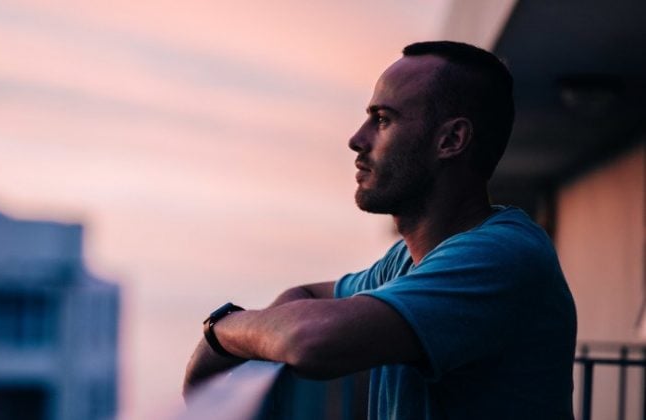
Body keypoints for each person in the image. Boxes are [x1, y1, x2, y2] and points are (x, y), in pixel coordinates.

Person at [183, 41, 577, 419]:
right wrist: (262, 331)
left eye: (383, 120)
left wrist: (220, 331)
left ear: (451, 140)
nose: (357, 140)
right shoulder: (407, 259)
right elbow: (308, 296)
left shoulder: (502, 255)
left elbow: (311, 340)